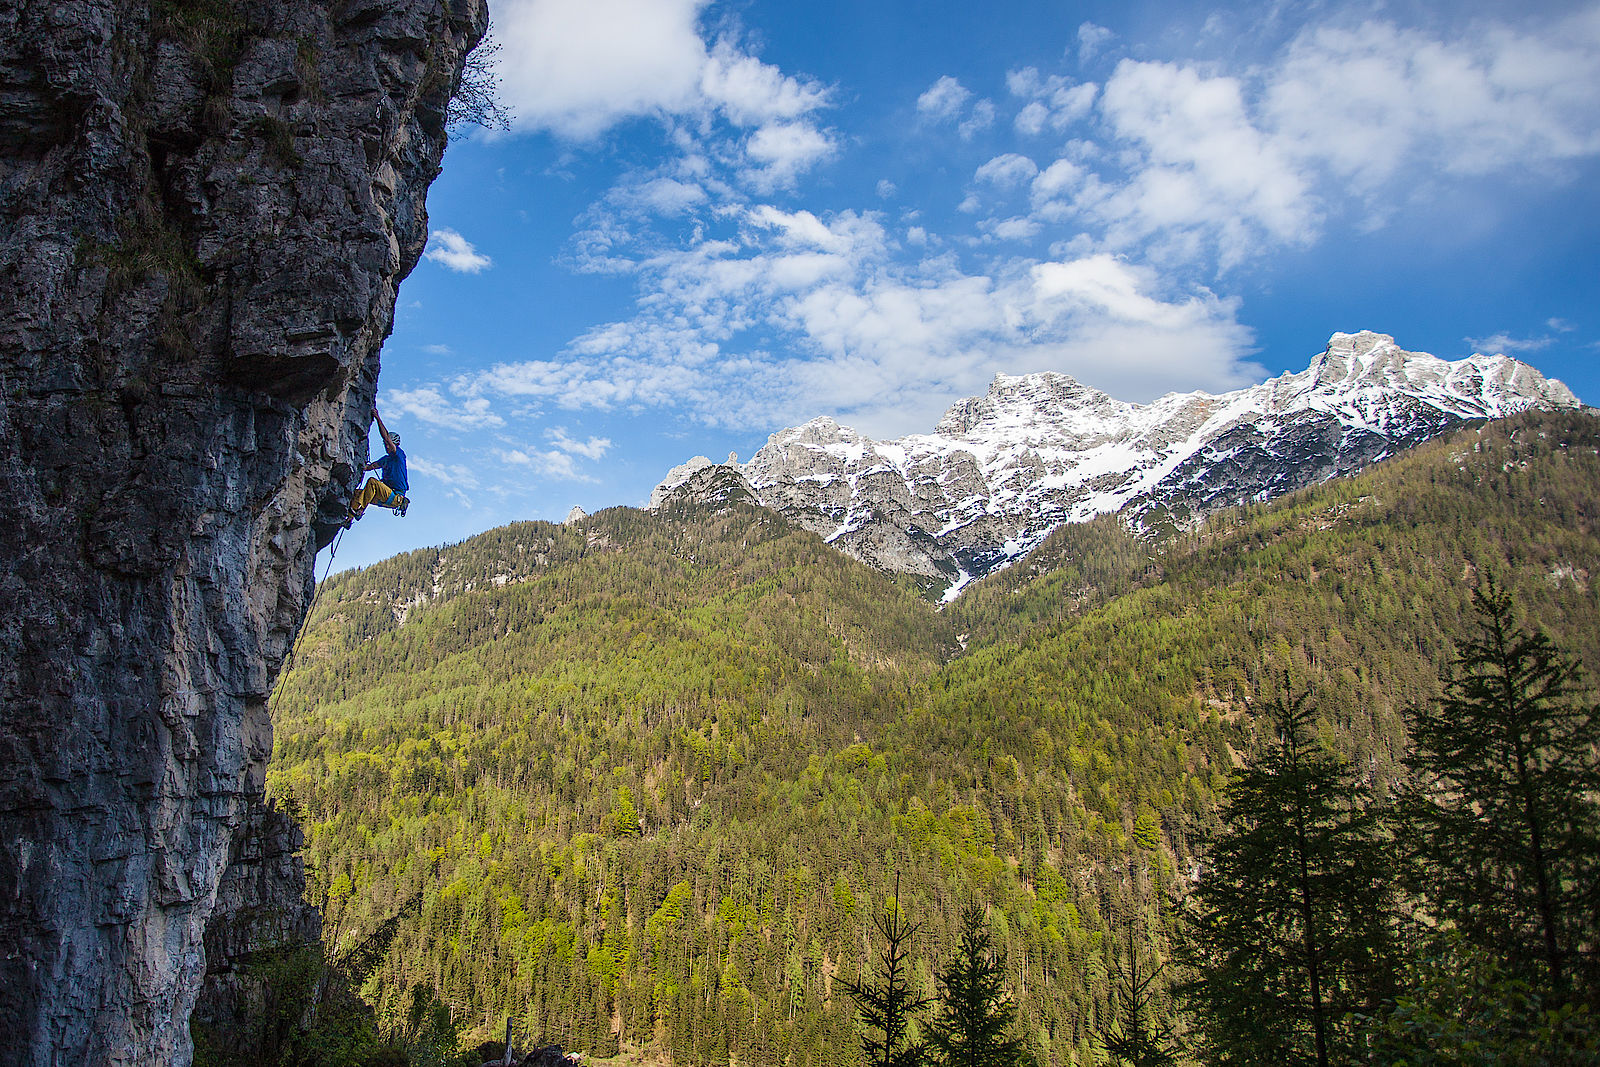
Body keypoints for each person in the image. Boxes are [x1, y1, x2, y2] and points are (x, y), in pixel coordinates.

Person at [347, 405, 409, 523]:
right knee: (357, 494)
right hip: (386, 497)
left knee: (372, 482)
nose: (386, 446)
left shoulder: (399, 456)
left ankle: (359, 511)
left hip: (395, 497)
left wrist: (377, 418)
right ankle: (348, 520)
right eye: (385, 445)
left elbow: (386, 438)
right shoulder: (385, 460)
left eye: (389, 444)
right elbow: (370, 467)